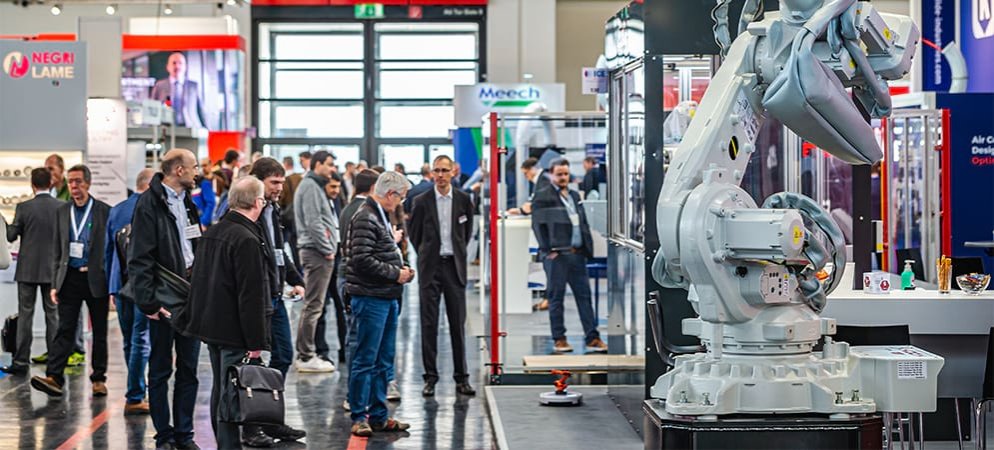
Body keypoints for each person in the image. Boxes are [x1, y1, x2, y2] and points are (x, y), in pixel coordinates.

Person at [174, 176, 271, 450]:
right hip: (234, 331)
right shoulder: (247, 239)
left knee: (222, 390)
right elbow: (250, 295)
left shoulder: (214, 231)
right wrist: (255, 343)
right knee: (231, 397)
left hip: (211, 326)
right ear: (256, 202)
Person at [128, 149, 203, 450]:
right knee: (160, 369)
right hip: (162, 300)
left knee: (189, 369)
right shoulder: (149, 204)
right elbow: (139, 258)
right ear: (179, 171)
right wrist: (148, 303)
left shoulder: (188, 202)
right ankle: (164, 435)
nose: (199, 171)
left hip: (190, 297)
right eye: (194, 166)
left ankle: (184, 435)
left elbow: (193, 243)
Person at [29, 164, 112, 398]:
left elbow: (111, 250)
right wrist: (55, 282)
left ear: (88, 182)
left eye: (78, 181)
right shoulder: (62, 212)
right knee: (65, 328)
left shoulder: (104, 211)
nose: (74, 186)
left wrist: (114, 283)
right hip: (70, 278)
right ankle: (54, 376)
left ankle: (98, 379)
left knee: (100, 331)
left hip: (96, 279)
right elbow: (58, 249)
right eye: (70, 182)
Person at [343, 171, 414, 437]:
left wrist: (401, 268)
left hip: (386, 296)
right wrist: (395, 273)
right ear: (390, 194)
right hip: (371, 298)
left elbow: (378, 252)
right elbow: (360, 259)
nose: (400, 203)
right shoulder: (365, 216)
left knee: (384, 359)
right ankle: (360, 415)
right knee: (366, 358)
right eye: (400, 197)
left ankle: (379, 414)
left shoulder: (378, 215)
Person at [248, 158, 308, 443]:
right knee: (252, 361)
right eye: (275, 182)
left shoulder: (272, 210)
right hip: (255, 299)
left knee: (283, 354)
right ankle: (251, 425)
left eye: (282, 182)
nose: (280, 188)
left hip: (274, 295)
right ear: (258, 181)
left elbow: (279, 250)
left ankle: (270, 419)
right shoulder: (247, 211)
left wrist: (295, 279)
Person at [408, 155, 476, 397]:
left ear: (453, 173)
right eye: (436, 170)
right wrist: (427, 255)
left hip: (454, 267)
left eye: (444, 170)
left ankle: (462, 378)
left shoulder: (464, 200)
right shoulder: (421, 201)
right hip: (431, 268)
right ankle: (430, 377)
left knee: (457, 324)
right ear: (431, 174)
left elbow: (465, 234)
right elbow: (414, 235)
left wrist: (454, 252)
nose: (440, 175)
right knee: (429, 324)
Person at [531, 159, 608, 354]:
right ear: (551, 175)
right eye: (559, 174)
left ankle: (593, 337)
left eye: (565, 174)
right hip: (557, 257)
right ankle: (559, 339)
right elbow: (537, 226)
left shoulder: (574, 195)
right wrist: (548, 251)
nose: (563, 177)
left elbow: (581, 223)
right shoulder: (542, 196)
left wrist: (586, 248)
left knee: (585, 297)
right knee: (556, 299)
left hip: (577, 255)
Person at [105, 168, 155, 415]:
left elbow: (107, 251)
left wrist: (110, 287)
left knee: (131, 341)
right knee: (141, 340)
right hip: (142, 286)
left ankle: (136, 389)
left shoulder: (116, 210)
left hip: (120, 284)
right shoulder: (152, 209)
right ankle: (135, 394)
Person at [2, 169, 62, 375]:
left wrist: (5, 223)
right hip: (52, 271)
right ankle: (55, 362)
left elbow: (11, 236)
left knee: (25, 316)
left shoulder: (24, 208)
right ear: (51, 184)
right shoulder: (61, 207)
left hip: (27, 270)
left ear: (32, 185)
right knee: (52, 316)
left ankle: (20, 362)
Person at [338, 168, 380, 411]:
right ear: (373, 187)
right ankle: (355, 396)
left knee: (355, 336)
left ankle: (357, 394)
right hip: (358, 280)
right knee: (358, 339)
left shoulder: (347, 208)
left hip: (348, 276)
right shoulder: (364, 211)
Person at [292, 150, 338, 373]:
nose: (332, 169)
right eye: (329, 165)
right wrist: (327, 249)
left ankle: (306, 352)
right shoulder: (310, 186)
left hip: (318, 251)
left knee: (314, 305)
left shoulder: (314, 185)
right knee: (313, 305)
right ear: (317, 164)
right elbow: (313, 221)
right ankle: (306, 354)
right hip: (316, 252)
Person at [316, 173, 347, 364]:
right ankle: (321, 350)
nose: (335, 190)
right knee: (320, 307)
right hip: (322, 256)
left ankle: (345, 348)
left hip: (339, 257)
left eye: (338, 186)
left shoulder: (339, 203)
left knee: (341, 305)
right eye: (332, 187)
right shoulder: (317, 203)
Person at [150, 52, 206, 129]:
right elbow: (152, 109)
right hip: (167, 129)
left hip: (191, 128)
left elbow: (201, 111)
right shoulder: (160, 86)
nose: (177, 66)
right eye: (174, 63)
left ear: (185, 67)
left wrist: (207, 130)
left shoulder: (193, 86)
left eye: (180, 63)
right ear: (167, 67)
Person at [191, 158, 216, 228]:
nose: (203, 168)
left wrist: (204, 222)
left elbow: (211, 203)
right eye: (202, 166)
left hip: (203, 223)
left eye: (205, 165)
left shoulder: (204, 183)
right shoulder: (194, 184)